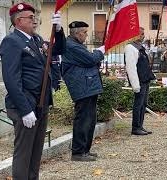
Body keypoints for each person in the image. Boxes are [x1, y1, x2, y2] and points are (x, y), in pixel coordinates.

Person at [0, 3, 65, 179]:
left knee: (36, 152)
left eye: (34, 17)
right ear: (19, 21)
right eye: (30, 17)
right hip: (25, 105)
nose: (34, 20)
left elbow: (58, 50)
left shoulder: (35, 40)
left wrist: (58, 31)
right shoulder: (12, 41)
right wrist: (25, 110)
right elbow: (11, 79)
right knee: (24, 153)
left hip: (40, 102)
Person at [61, 21, 105, 161]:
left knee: (90, 119)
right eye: (85, 32)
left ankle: (85, 149)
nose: (86, 35)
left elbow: (91, 61)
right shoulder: (71, 45)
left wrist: (94, 58)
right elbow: (91, 59)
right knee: (83, 120)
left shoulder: (77, 45)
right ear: (77, 33)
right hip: (82, 86)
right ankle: (78, 152)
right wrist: (100, 51)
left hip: (87, 85)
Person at [124, 27, 156, 136]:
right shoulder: (130, 47)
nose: (143, 36)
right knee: (138, 104)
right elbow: (131, 67)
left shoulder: (140, 47)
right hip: (139, 81)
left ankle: (140, 125)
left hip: (145, 79)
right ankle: (135, 127)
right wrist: (135, 84)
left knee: (143, 104)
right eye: (141, 34)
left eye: (143, 34)